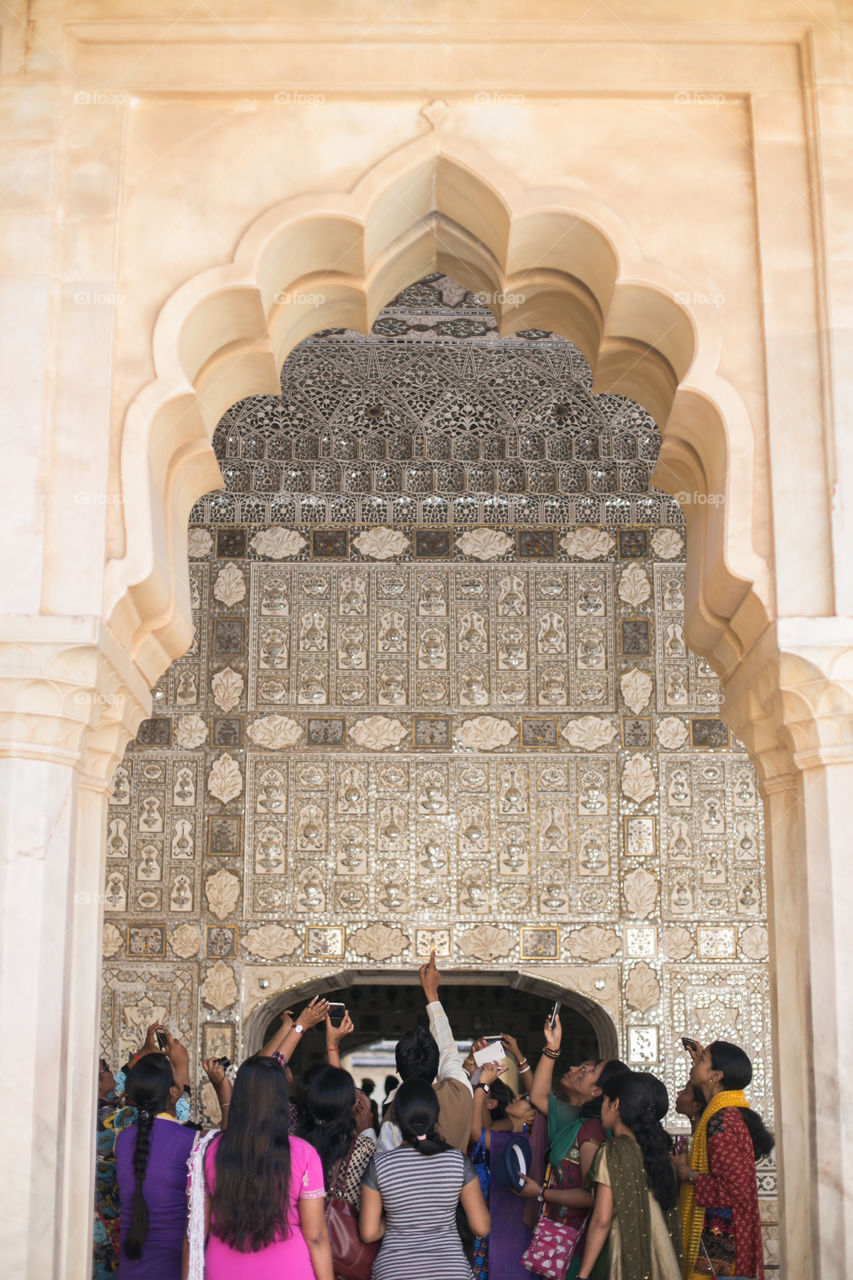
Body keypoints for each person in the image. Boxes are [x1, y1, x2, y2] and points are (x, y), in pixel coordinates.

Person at [191, 1054, 334, 1280]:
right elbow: (315, 1236)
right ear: (281, 1100)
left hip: (223, 1270)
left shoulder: (207, 1151)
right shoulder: (304, 1154)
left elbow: (196, 1233)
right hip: (288, 1271)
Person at [360, 1078, 490, 1280]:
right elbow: (481, 1226)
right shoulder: (457, 1161)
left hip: (394, 1272)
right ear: (435, 1115)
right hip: (450, 1270)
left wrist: (398, 1218)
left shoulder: (379, 1165)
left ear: (395, 1117)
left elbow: (368, 1233)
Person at [674, 1041, 773, 1280]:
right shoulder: (719, 1113)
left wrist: (687, 1173)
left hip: (722, 1246)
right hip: (721, 1239)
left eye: (702, 1060)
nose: (695, 1063)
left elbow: (732, 1188)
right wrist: (699, 1062)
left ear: (716, 1075)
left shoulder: (724, 1120)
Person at [575, 1070, 682, 1280]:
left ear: (615, 1105)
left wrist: (583, 1275)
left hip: (628, 1256)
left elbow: (602, 1220)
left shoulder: (613, 1151)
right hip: (663, 1256)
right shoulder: (659, 1151)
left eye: (605, 1100)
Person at [525, 1016, 609, 1277]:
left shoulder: (594, 1129)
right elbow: (538, 1096)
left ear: (598, 1092)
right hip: (556, 1231)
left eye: (587, 1070)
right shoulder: (572, 1117)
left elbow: (592, 1195)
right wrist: (552, 1047)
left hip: (581, 1234)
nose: (576, 1068)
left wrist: (540, 1192)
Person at [115, 1043, 198, 1277]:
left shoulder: (122, 1139)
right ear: (173, 1091)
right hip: (173, 1267)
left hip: (129, 1270)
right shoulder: (192, 1141)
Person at [378, 951, 473, 1152]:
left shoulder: (396, 1111)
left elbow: (384, 1167)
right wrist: (432, 994)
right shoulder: (459, 1091)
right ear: (436, 1063)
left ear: (398, 1069)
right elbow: (448, 1049)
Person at [469, 1059, 537, 1280]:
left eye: (524, 1100)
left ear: (531, 1117)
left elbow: (475, 1132)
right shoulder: (519, 1141)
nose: (516, 1097)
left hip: (506, 1229)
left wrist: (483, 1086)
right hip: (519, 1230)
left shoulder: (511, 1142)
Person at [298, 1064, 377, 1211]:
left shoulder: (297, 1143)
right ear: (352, 1104)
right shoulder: (363, 1147)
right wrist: (367, 1131)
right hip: (343, 1229)